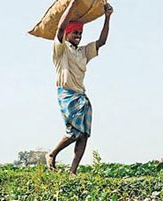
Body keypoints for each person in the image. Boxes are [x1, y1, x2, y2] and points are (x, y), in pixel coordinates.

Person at [46, 1, 113, 175]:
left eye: (80, 33)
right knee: (74, 131)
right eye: (75, 32)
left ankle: (72, 172)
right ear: (67, 35)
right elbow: (60, 29)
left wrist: (107, 17)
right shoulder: (61, 50)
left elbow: (102, 42)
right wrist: (72, 4)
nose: (78, 36)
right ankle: (52, 154)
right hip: (67, 94)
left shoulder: (83, 52)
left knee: (84, 134)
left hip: (80, 95)